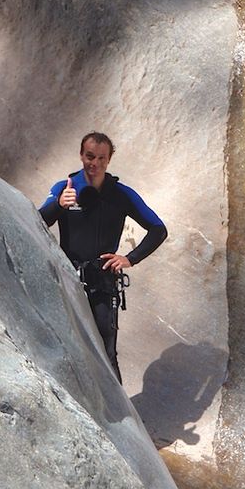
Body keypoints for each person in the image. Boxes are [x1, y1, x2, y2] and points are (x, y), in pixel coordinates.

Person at [39, 132, 167, 383]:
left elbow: (158, 230)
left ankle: (120, 419)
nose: (94, 163)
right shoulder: (64, 188)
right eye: (89, 156)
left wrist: (130, 258)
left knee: (106, 351)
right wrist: (58, 206)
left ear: (109, 160)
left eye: (100, 158)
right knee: (68, 346)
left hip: (103, 282)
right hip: (68, 278)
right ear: (81, 155)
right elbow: (37, 220)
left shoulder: (121, 194)